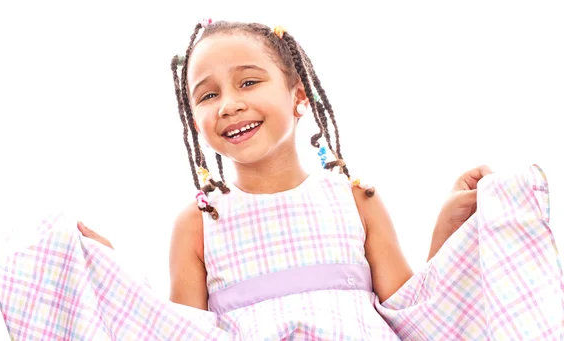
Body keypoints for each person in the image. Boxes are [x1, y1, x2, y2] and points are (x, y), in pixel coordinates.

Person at [77, 19, 506, 339]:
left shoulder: (356, 201)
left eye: (248, 81)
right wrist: (114, 276)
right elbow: (183, 332)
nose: (228, 104)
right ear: (194, 120)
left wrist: (447, 231)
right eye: (208, 95)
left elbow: (412, 315)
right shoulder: (198, 223)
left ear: (299, 96)